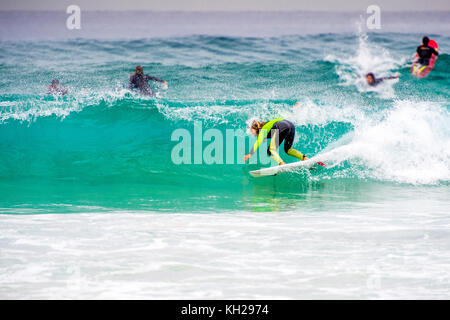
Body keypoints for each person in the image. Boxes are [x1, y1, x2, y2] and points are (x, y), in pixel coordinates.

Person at [243, 119, 308, 165]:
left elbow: (258, 142)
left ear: (254, 128)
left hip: (280, 126)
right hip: (290, 125)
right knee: (288, 150)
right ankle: (304, 158)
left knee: (270, 150)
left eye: (251, 130)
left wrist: (250, 154)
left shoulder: (262, 130)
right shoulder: (268, 125)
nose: (251, 133)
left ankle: (282, 164)